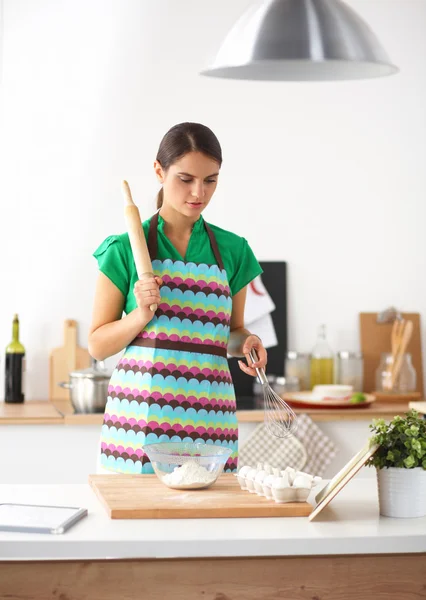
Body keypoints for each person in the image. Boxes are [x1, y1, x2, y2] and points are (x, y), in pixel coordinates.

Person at [89, 122, 267, 474]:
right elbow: (97, 346)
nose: (198, 192)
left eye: (210, 180)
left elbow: (232, 333)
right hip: (139, 422)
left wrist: (248, 342)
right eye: (185, 179)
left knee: (209, 526)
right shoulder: (124, 248)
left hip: (210, 419)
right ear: (159, 170)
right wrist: (139, 315)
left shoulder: (234, 250)